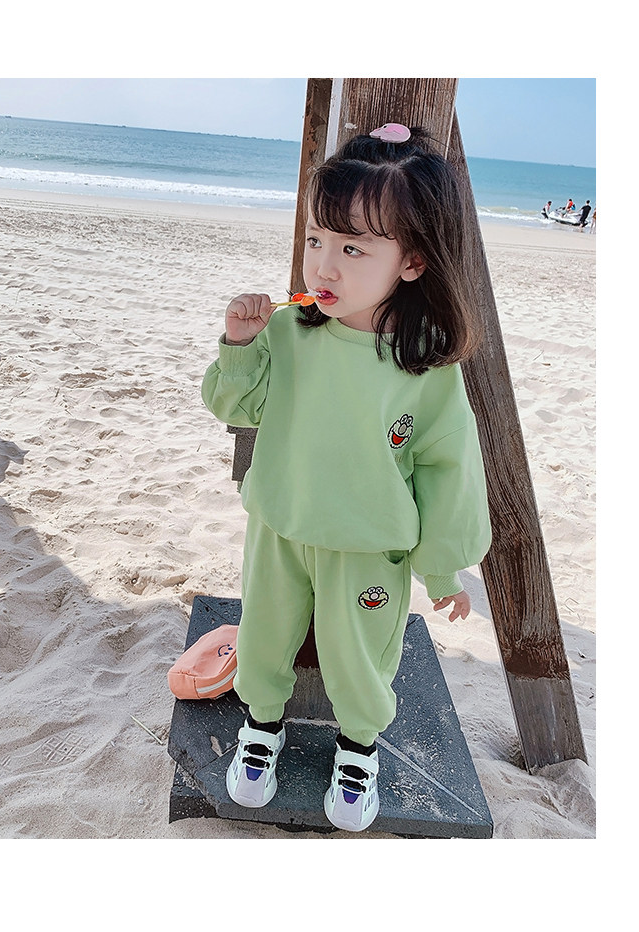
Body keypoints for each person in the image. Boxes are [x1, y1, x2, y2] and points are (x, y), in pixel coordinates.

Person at [201, 125, 492, 832]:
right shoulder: (289, 330)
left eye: (353, 248)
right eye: (315, 240)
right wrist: (239, 344)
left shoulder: (425, 362)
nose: (323, 265)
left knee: (360, 656)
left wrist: (443, 567)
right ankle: (260, 728)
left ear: (413, 261)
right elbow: (235, 407)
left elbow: (447, 465)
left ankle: (359, 749)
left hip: (368, 542)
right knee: (264, 633)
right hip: (280, 521)